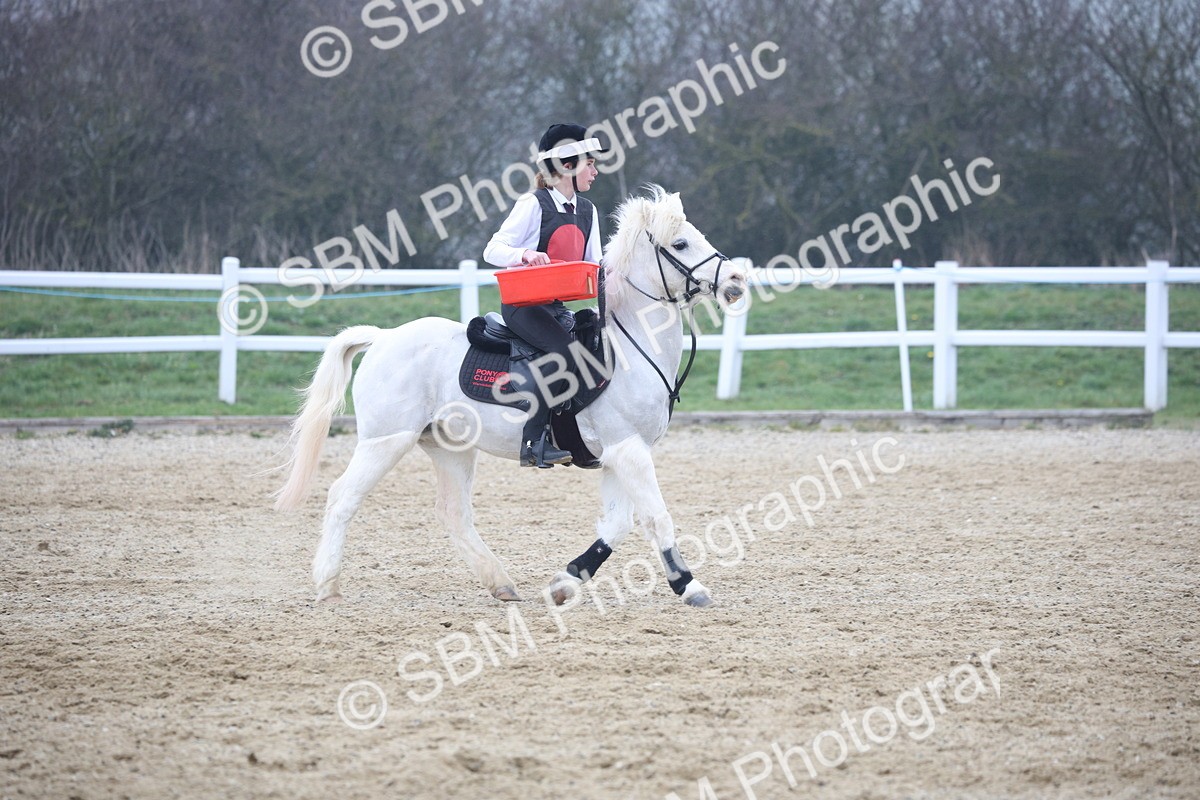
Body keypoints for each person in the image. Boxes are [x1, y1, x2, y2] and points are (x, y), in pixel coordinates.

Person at [483, 123, 605, 468]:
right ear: (567, 167)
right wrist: (523, 255)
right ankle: (532, 444)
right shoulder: (532, 204)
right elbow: (493, 249)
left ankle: (573, 442)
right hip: (523, 307)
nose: (595, 172)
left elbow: (596, 264)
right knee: (566, 355)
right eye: (590, 164)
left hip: (556, 309)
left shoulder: (588, 210)